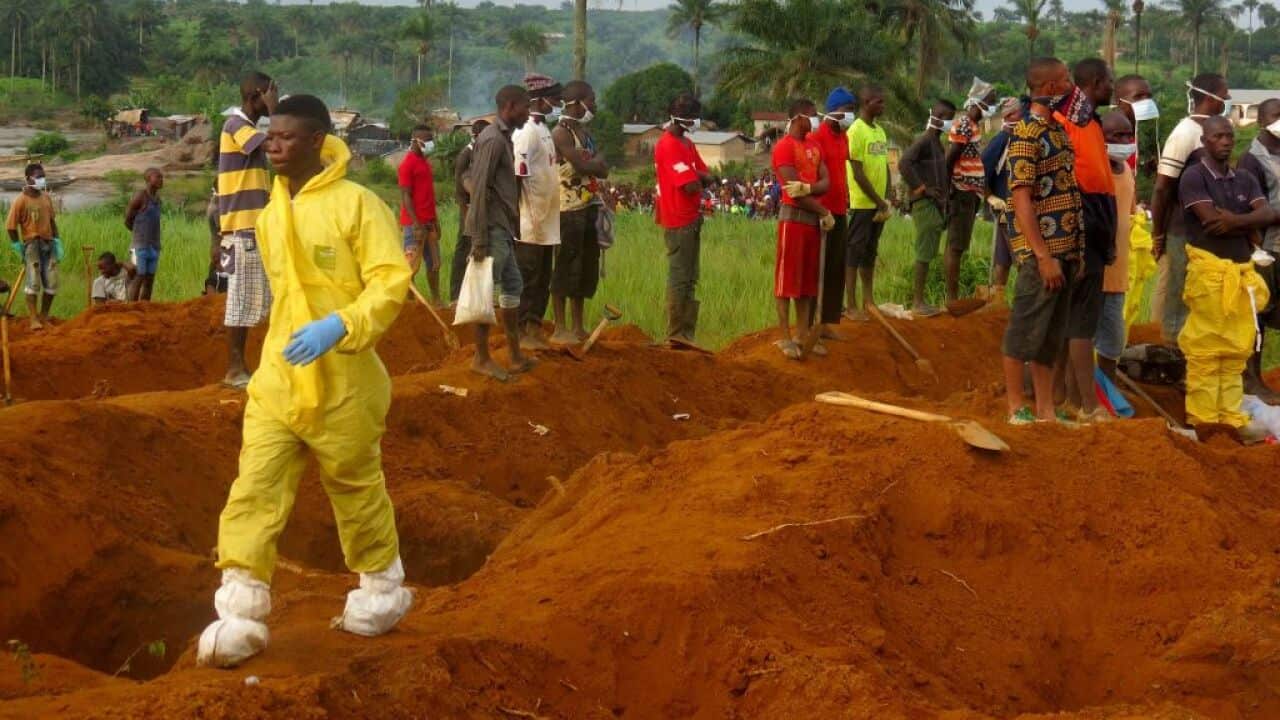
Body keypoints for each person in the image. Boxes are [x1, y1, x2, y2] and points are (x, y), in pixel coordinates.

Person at [196, 95, 414, 669]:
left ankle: (380, 591)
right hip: (280, 379)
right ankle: (239, 612)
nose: (273, 146)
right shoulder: (270, 212)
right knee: (254, 487)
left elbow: (390, 281)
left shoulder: (357, 205)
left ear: (317, 140)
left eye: (286, 137)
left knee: (356, 490)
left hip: (345, 383)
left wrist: (341, 324)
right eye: (270, 136)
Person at [1176, 116, 1275, 438]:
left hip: (1241, 274)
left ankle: (1231, 417)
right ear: (1204, 140)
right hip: (1209, 273)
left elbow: (1269, 213)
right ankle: (1204, 419)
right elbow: (1209, 221)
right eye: (1218, 136)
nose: (1226, 141)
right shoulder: (1194, 176)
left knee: (1236, 350)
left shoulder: (1244, 177)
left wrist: (1232, 221)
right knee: (1206, 349)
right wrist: (1248, 222)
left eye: (1229, 136)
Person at [1001, 57, 1086, 425]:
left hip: (1064, 251)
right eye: (1066, 80)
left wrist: (1073, 253)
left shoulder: (1057, 131)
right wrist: (1043, 256)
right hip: (1043, 253)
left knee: (1050, 337)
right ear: (1050, 87)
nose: (1071, 87)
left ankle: (1046, 410)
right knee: (1025, 330)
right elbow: (1021, 198)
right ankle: (1015, 407)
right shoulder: (1026, 133)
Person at [1052, 58, 1117, 421]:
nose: (1112, 87)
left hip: (1093, 231)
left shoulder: (1089, 122)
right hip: (1080, 232)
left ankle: (1068, 399)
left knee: (1072, 319)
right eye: (1109, 81)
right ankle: (1087, 406)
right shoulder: (1067, 120)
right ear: (1094, 82)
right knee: (1080, 321)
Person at [465, 85, 538, 380]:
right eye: (525, 107)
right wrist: (479, 238)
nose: (528, 113)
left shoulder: (503, 138)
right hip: (491, 229)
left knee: (512, 286)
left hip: (502, 228)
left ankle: (515, 356)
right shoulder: (493, 140)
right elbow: (479, 188)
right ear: (510, 106)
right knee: (485, 293)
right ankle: (481, 359)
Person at [1151, 72, 1230, 346]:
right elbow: (1162, 188)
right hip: (1181, 229)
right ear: (1211, 98)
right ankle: (1166, 348)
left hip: (1206, 231)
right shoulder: (1184, 133)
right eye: (1225, 95)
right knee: (1176, 292)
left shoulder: (1216, 133)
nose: (1228, 100)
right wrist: (1157, 234)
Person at [217, 71, 279, 389]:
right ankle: (235, 369)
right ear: (256, 96)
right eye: (270, 93)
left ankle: (241, 367)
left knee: (252, 299)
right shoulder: (235, 125)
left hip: (249, 230)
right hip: (243, 230)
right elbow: (275, 144)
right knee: (241, 301)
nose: (273, 98)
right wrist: (277, 111)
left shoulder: (246, 127)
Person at [771, 98, 833, 359]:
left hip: (812, 221)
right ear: (798, 118)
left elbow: (826, 181)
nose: (816, 118)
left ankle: (803, 334)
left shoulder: (815, 146)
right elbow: (793, 192)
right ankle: (785, 336)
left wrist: (808, 187)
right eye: (812, 114)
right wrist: (822, 209)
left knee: (807, 282)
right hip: (794, 219)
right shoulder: (784, 148)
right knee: (787, 281)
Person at [552, 79, 610, 344]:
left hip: (589, 206)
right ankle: (559, 327)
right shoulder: (561, 133)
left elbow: (602, 168)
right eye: (591, 100)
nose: (594, 105)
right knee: (566, 265)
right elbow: (585, 166)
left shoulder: (584, 132)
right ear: (575, 104)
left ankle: (577, 326)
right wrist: (592, 163)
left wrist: (592, 163)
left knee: (585, 267)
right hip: (567, 210)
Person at [654, 92, 710, 343]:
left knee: (691, 277)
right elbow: (690, 185)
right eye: (693, 116)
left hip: (692, 216)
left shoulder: (687, 143)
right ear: (680, 117)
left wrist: (699, 177)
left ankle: (686, 333)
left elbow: (704, 174)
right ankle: (676, 333)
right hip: (678, 218)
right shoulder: (668, 145)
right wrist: (700, 178)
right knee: (680, 277)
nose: (697, 121)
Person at [513, 74, 563, 349]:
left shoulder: (544, 129)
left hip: (547, 221)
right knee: (528, 278)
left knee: (543, 278)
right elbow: (517, 176)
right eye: (555, 99)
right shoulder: (526, 132)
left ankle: (534, 327)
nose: (558, 104)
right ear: (540, 100)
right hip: (529, 221)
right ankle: (521, 331)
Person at [1236, 97, 1280, 403]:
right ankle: (1252, 380)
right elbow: (1251, 211)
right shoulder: (1251, 160)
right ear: (1262, 121)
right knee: (1259, 313)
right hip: (1266, 249)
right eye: (1276, 116)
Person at [899, 100, 957, 317]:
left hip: (934, 204)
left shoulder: (936, 143)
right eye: (948, 118)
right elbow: (904, 163)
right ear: (938, 117)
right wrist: (923, 189)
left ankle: (920, 301)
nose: (950, 122)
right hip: (924, 204)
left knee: (928, 251)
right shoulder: (924, 140)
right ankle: (918, 302)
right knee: (924, 252)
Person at [807, 86, 856, 337]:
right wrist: (819, 210)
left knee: (836, 267)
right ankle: (811, 323)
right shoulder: (817, 138)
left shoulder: (843, 137)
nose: (851, 115)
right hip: (822, 210)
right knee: (818, 268)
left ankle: (826, 322)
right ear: (834, 110)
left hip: (839, 208)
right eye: (847, 109)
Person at [945, 78, 998, 303]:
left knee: (958, 244)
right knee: (956, 246)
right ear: (978, 102)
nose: (992, 107)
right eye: (990, 102)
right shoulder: (965, 124)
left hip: (969, 191)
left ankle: (952, 297)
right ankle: (952, 299)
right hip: (962, 190)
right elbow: (950, 158)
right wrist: (949, 188)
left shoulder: (972, 126)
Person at [1095, 110, 1138, 384]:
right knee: (1080, 335)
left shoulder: (1128, 172)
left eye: (1127, 135)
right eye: (1116, 136)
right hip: (1093, 272)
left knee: (1112, 340)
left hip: (1117, 273)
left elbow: (1130, 215)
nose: (1124, 141)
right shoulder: (1094, 173)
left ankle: (1106, 389)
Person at [845, 84, 892, 321]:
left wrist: (887, 197)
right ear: (866, 103)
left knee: (870, 251)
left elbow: (884, 166)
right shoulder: (855, 131)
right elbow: (857, 172)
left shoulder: (880, 131)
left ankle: (868, 300)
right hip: (862, 203)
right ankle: (851, 304)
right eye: (878, 102)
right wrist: (877, 200)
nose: (883, 106)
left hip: (879, 204)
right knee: (854, 252)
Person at [981, 97, 1028, 306]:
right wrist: (990, 196)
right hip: (1008, 210)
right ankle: (1017, 305)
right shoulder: (1002, 140)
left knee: (1003, 259)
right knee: (1021, 259)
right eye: (1019, 112)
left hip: (1012, 210)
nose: (1023, 115)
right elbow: (981, 169)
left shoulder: (1021, 137)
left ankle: (996, 304)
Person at [5, 162, 59, 330]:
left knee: (52, 283)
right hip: (32, 245)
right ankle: (33, 319)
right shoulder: (20, 200)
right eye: (39, 177)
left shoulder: (46, 197)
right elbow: (10, 227)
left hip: (49, 244)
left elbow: (52, 221)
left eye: (43, 176)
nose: (42, 180)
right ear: (28, 179)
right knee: (33, 283)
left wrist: (58, 241)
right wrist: (17, 245)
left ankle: (44, 315)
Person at [398, 124, 441, 303]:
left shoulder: (425, 162)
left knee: (434, 264)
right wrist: (416, 224)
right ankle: (411, 304)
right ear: (416, 140)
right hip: (413, 224)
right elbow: (406, 196)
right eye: (427, 140)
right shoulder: (407, 165)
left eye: (431, 139)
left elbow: (428, 195)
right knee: (410, 266)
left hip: (429, 223)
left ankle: (436, 300)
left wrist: (436, 221)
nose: (431, 143)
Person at [450, 119, 488, 304]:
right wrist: (467, 217)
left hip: (482, 208)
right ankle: (456, 295)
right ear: (477, 136)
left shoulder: (483, 153)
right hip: (468, 208)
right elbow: (460, 191)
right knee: (464, 249)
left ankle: (475, 296)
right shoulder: (466, 155)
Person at [124, 167, 163, 302]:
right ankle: (132, 309)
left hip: (154, 246)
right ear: (148, 179)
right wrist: (138, 234)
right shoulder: (140, 196)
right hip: (140, 246)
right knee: (138, 277)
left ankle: (145, 309)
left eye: (161, 177)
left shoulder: (157, 199)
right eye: (157, 177)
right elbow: (127, 219)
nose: (161, 180)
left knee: (149, 280)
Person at [1113, 74, 1156, 172]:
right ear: (1118, 101)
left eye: (1149, 97)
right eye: (1138, 97)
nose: (1146, 102)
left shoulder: (1136, 131)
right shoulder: (1109, 133)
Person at [205, 189, 228, 295]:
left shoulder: (213, 205)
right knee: (216, 279)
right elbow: (222, 232)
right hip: (220, 248)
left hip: (217, 247)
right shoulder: (216, 208)